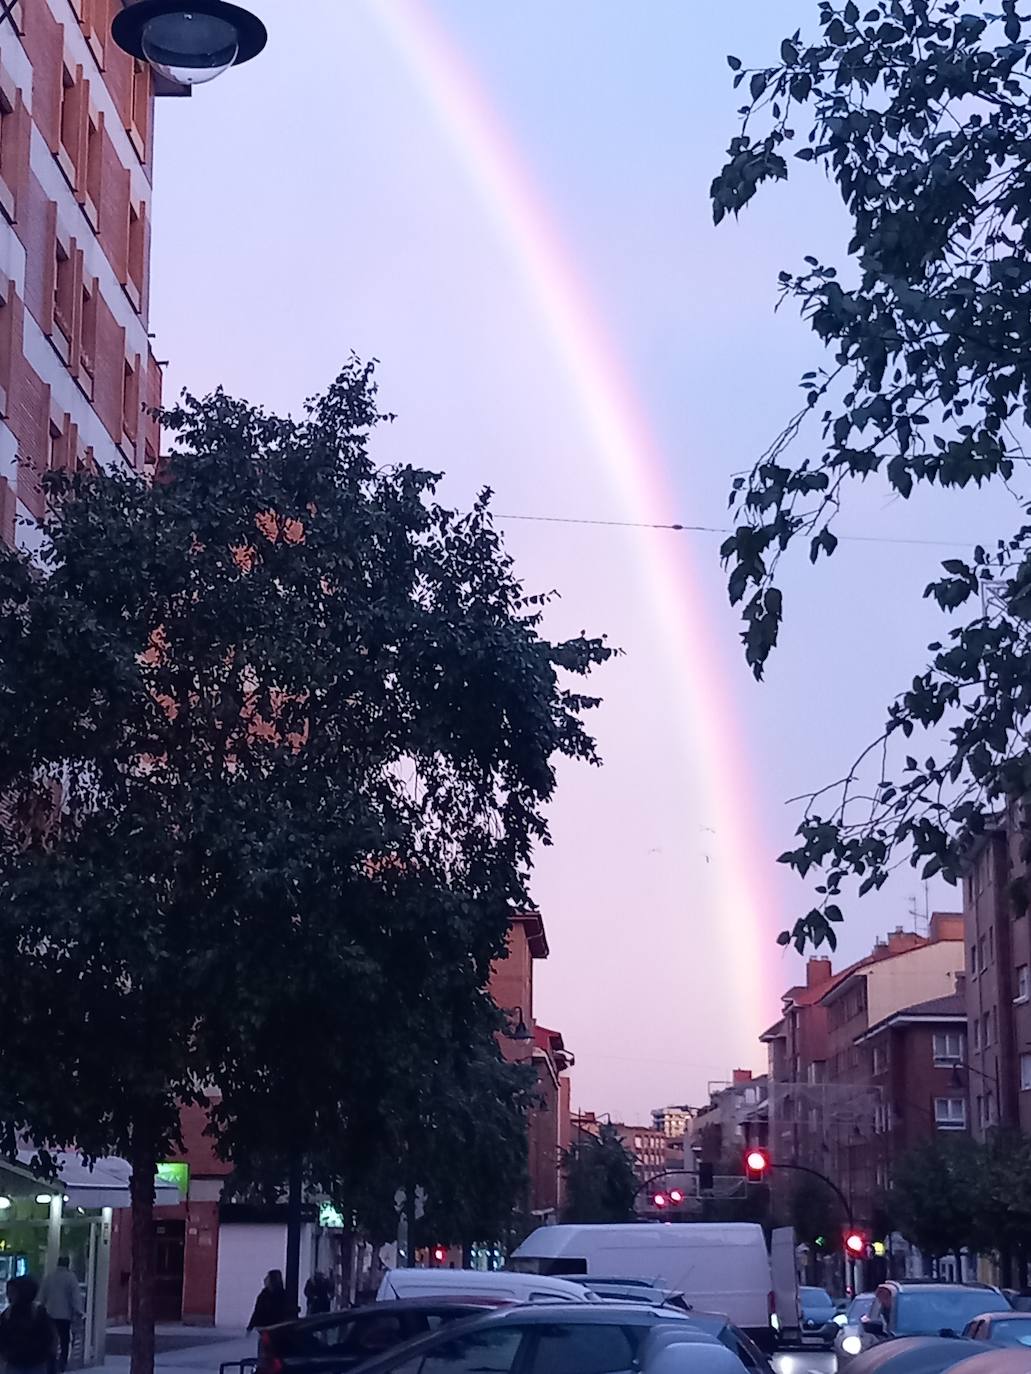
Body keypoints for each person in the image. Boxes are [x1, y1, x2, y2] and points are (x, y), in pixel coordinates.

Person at [0, 1276, 58, 1374]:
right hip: (35, 1362)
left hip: (17, 1362)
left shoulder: (8, 1314)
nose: (8, 1296)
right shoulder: (38, 1312)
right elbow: (50, 1338)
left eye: (12, 1292)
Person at [39, 1259, 83, 1372]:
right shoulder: (70, 1277)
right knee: (64, 1340)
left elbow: (42, 1296)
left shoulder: (50, 1277)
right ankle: (62, 1362)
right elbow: (75, 1297)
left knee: (50, 1339)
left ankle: (50, 1361)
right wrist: (78, 1312)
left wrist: (41, 1308)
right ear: (68, 1264)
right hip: (64, 1315)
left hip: (50, 1313)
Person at [247, 1270, 293, 1337]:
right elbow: (257, 1313)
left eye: (268, 1278)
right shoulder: (266, 1295)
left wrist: (250, 1328)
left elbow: (257, 1313)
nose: (265, 1280)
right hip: (271, 1329)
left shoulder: (265, 1295)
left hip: (272, 1329)